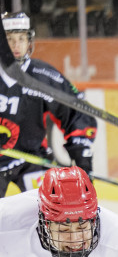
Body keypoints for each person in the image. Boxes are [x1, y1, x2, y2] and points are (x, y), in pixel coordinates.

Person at [0, 12, 96, 196]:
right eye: (9, 39)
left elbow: (75, 110)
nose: (16, 45)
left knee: (47, 213)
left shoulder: (43, 75)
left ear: (29, 40)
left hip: (32, 159)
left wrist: (82, 155)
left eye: (21, 38)